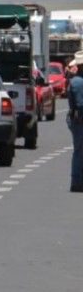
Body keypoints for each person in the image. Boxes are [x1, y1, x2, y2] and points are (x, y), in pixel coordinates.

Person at [66, 53, 83, 192]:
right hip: (80, 119)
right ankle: (77, 181)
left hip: (77, 119)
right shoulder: (78, 82)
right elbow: (80, 104)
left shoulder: (76, 80)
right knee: (80, 151)